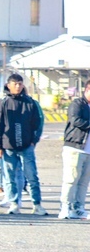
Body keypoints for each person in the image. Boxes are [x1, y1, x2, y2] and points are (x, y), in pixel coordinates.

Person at [0, 73, 46, 215]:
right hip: (8, 146)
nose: (17, 86)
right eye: (15, 84)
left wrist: (34, 141)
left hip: (27, 145)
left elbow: (37, 123)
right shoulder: (3, 103)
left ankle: (37, 204)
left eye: (20, 84)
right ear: (8, 85)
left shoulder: (30, 103)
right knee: (10, 177)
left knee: (32, 176)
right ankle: (14, 203)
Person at [58, 80, 90, 219]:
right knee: (71, 179)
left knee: (84, 181)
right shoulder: (77, 104)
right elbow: (75, 120)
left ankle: (78, 208)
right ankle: (65, 206)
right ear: (87, 89)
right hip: (75, 147)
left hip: (88, 150)